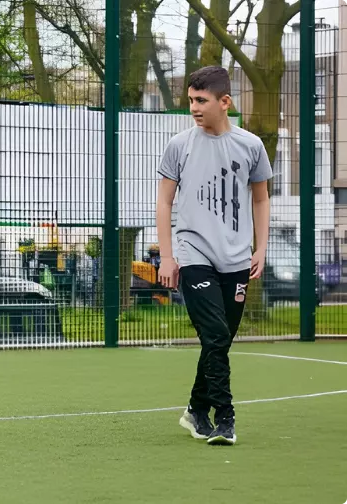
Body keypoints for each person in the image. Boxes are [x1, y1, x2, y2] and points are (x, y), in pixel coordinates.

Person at [156, 66, 272, 446]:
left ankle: (194, 409)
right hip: (193, 252)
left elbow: (260, 198)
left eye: (200, 100)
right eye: (190, 99)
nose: (193, 107)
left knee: (218, 341)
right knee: (216, 333)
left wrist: (261, 247)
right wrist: (168, 256)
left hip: (236, 258)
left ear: (225, 102)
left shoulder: (252, 145)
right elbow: (164, 200)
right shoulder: (179, 145)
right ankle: (225, 418)